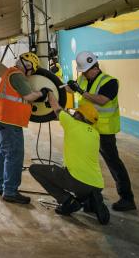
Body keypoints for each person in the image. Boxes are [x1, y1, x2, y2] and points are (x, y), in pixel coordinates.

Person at [67, 51, 136, 211]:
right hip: (85, 128)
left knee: (113, 163)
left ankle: (127, 198)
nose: (83, 73)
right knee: (86, 163)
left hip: (104, 131)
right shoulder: (83, 79)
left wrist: (81, 91)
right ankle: (90, 195)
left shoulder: (110, 82)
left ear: (94, 67)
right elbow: (75, 92)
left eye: (85, 70)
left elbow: (102, 100)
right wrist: (71, 87)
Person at [29, 93, 110, 225]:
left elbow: (56, 107)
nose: (73, 114)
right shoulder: (95, 134)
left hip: (77, 182)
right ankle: (92, 200)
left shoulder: (71, 124)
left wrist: (49, 92)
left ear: (80, 116)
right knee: (83, 188)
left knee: (35, 169)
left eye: (76, 113)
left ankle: (67, 201)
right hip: (97, 184)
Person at [0, 51, 49, 204]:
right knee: (14, 157)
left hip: (1, 121)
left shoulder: (9, 73)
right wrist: (42, 93)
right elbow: (29, 96)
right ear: (28, 65)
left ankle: (1, 186)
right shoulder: (17, 75)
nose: (31, 74)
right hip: (11, 124)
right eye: (32, 70)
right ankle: (10, 191)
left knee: (3, 155)